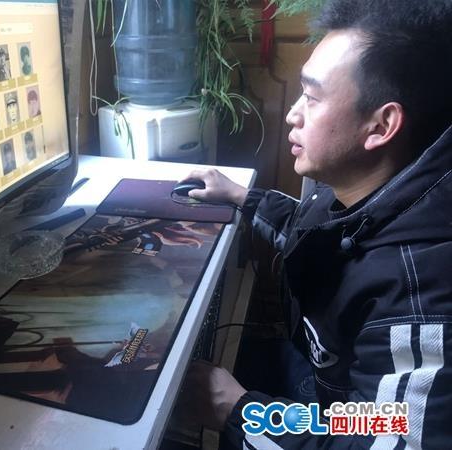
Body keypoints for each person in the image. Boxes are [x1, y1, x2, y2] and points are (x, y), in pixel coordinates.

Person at [177, 1, 452, 448]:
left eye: (312, 96)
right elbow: (324, 236)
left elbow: (386, 438)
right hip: (330, 382)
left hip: (352, 415)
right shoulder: (370, 186)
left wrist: (239, 410)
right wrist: (244, 197)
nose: (293, 114)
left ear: (381, 125)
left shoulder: (419, 293)